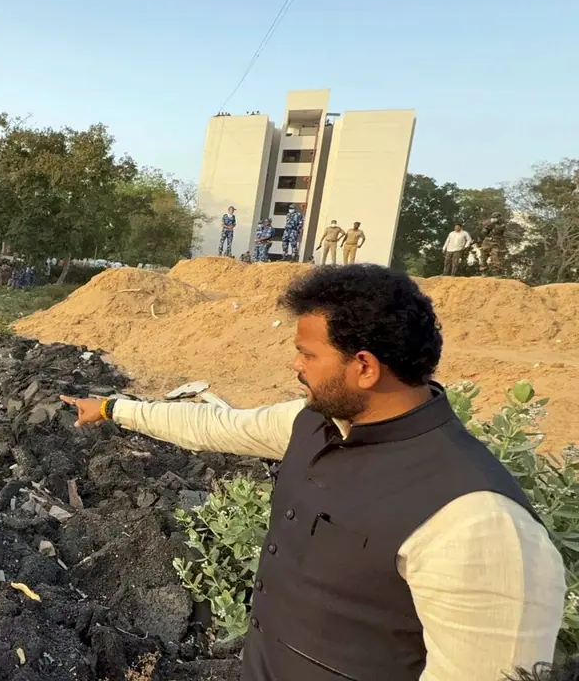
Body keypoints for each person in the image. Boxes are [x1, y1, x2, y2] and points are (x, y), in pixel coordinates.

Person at [61, 264, 565, 681]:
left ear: (364, 367)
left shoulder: (479, 521)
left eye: (307, 353)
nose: (295, 365)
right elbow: (216, 425)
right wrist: (111, 408)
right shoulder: (315, 424)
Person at [480, 212, 508, 276]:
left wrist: (492, 225)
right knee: (483, 255)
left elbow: (502, 231)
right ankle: (483, 271)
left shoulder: (502, 225)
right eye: (493, 218)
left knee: (495, 256)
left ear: (499, 218)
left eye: (495, 218)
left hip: (496, 242)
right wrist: (486, 226)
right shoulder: (488, 223)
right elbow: (484, 233)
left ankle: (496, 272)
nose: (494, 219)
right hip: (487, 241)